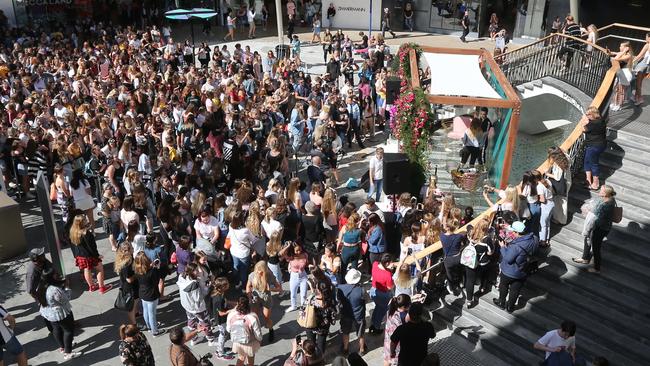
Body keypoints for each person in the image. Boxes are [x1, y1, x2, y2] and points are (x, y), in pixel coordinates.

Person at [493, 221, 539, 313]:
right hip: (523, 270)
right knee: (515, 289)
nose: (512, 233)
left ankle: (501, 302)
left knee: (504, 285)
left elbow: (508, 259)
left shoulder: (516, 246)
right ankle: (510, 307)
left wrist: (502, 247)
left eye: (514, 232)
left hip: (509, 272)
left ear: (518, 233)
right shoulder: (534, 238)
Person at [38, 268, 81, 361]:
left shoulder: (41, 286)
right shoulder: (54, 290)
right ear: (52, 277)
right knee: (68, 330)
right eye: (55, 274)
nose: (57, 274)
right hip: (60, 313)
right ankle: (68, 353)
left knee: (56, 329)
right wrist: (67, 287)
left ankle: (62, 347)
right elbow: (66, 299)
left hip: (48, 313)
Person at [573, 185, 616, 274]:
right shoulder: (606, 199)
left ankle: (597, 268)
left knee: (596, 247)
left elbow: (596, 218)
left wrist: (588, 227)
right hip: (600, 226)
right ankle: (585, 258)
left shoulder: (606, 205)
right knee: (587, 239)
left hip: (600, 228)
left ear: (605, 194)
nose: (599, 191)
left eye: (601, 190)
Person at [69, 214, 112, 293]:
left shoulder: (73, 232)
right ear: (81, 223)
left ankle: (91, 286)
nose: (87, 221)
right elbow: (92, 247)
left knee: (87, 270)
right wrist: (97, 256)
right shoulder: (87, 234)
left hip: (80, 256)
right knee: (99, 269)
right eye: (85, 220)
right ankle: (102, 288)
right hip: (90, 256)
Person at [177, 262, 215, 346]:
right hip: (197, 308)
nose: (198, 271)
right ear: (191, 271)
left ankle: (194, 339)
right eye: (196, 270)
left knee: (191, 321)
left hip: (187, 305)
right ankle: (211, 340)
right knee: (204, 322)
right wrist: (207, 287)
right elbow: (198, 298)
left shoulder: (181, 276)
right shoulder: (194, 284)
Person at [246, 261, 282, 343]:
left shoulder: (269, 275)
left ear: (264, 270)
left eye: (260, 270)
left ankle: (271, 330)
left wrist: (271, 289)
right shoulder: (252, 275)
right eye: (257, 269)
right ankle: (257, 334)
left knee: (267, 318)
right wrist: (249, 297)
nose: (258, 272)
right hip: (255, 298)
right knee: (255, 317)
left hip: (266, 298)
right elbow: (248, 286)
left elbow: (279, 288)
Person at [464, 217, 494, 308]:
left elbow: (468, 226)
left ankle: (469, 301)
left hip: (470, 261)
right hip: (481, 262)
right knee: (485, 272)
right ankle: (482, 287)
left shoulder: (470, 233)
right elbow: (490, 252)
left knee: (470, 281)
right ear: (486, 228)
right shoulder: (486, 239)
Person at [134, 252, 166, 336]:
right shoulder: (152, 271)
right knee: (152, 314)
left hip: (142, 293)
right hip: (152, 294)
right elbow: (156, 281)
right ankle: (155, 331)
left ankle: (149, 327)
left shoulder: (137, 270)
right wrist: (157, 268)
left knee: (146, 311)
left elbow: (145, 271)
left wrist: (152, 267)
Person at [337, 269, 367, 356]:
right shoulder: (361, 290)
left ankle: (345, 349)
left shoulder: (340, 288)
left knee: (345, 332)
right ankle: (361, 350)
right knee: (360, 334)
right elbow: (367, 299)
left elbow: (338, 299)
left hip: (346, 314)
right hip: (359, 315)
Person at [226, 296, 263, 366]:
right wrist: (259, 340)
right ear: (248, 304)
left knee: (240, 358)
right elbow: (258, 334)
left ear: (237, 303)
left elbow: (228, 329)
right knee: (250, 360)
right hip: (250, 343)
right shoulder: (252, 317)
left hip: (238, 342)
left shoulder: (231, 314)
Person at [581, 107, 607, 191]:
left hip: (594, 146)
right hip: (599, 145)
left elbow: (583, 129)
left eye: (588, 114)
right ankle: (588, 181)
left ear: (593, 114)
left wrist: (583, 121)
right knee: (587, 161)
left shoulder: (592, 124)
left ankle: (595, 183)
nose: (586, 115)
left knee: (593, 163)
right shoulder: (601, 120)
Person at [280, 242, 309, 312]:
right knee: (293, 293)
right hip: (294, 276)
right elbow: (281, 254)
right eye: (297, 250)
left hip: (303, 275)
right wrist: (288, 246)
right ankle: (293, 306)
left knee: (304, 293)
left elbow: (307, 263)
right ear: (293, 251)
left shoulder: (305, 255)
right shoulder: (290, 257)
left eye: (300, 249)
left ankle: (303, 307)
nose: (299, 252)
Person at [114, 244, 139, 325]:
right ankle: (134, 323)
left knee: (134, 303)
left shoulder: (124, 259)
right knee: (131, 307)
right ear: (126, 251)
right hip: (130, 288)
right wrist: (138, 274)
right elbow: (129, 279)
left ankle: (136, 313)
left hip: (127, 286)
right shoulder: (127, 263)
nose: (132, 249)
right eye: (131, 248)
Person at [370, 254, 395, 334]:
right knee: (381, 312)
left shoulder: (375, 264)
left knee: (377, 307)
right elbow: (390, 287)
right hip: (383, 295)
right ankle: (376, 328)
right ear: (387, 263)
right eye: (391, 262)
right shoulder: (388, 274)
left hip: (373, 291)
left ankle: (373, 323)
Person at [440, 219, 464, 296]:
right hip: (457, 258)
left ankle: (451, 288)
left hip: (448, 259)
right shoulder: (459, 236)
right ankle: (459, 283)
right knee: (458, 271)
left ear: (447, 227)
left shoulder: (441, 236)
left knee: (449, 275)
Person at [609, 41, 635, 111]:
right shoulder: (621, 53)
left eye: (621, 46)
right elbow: (615, 54)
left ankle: (619, 105)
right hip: (620, 72)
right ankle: (615, 103)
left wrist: (623, 52)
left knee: (621, 91)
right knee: (616, 89)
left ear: (626, 48)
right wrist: (611, 53)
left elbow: (616, 59)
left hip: (625, 74)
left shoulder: (628, 55)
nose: (619, 47)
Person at [632, 32, 650, 106]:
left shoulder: (647, 45)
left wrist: (632, 62)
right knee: (640, 82)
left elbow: (640, 56)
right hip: (648, 66)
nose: (645, 38)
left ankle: (640, 98)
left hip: (642, 65)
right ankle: (636, 97)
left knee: (638, 83)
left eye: (646, 37)